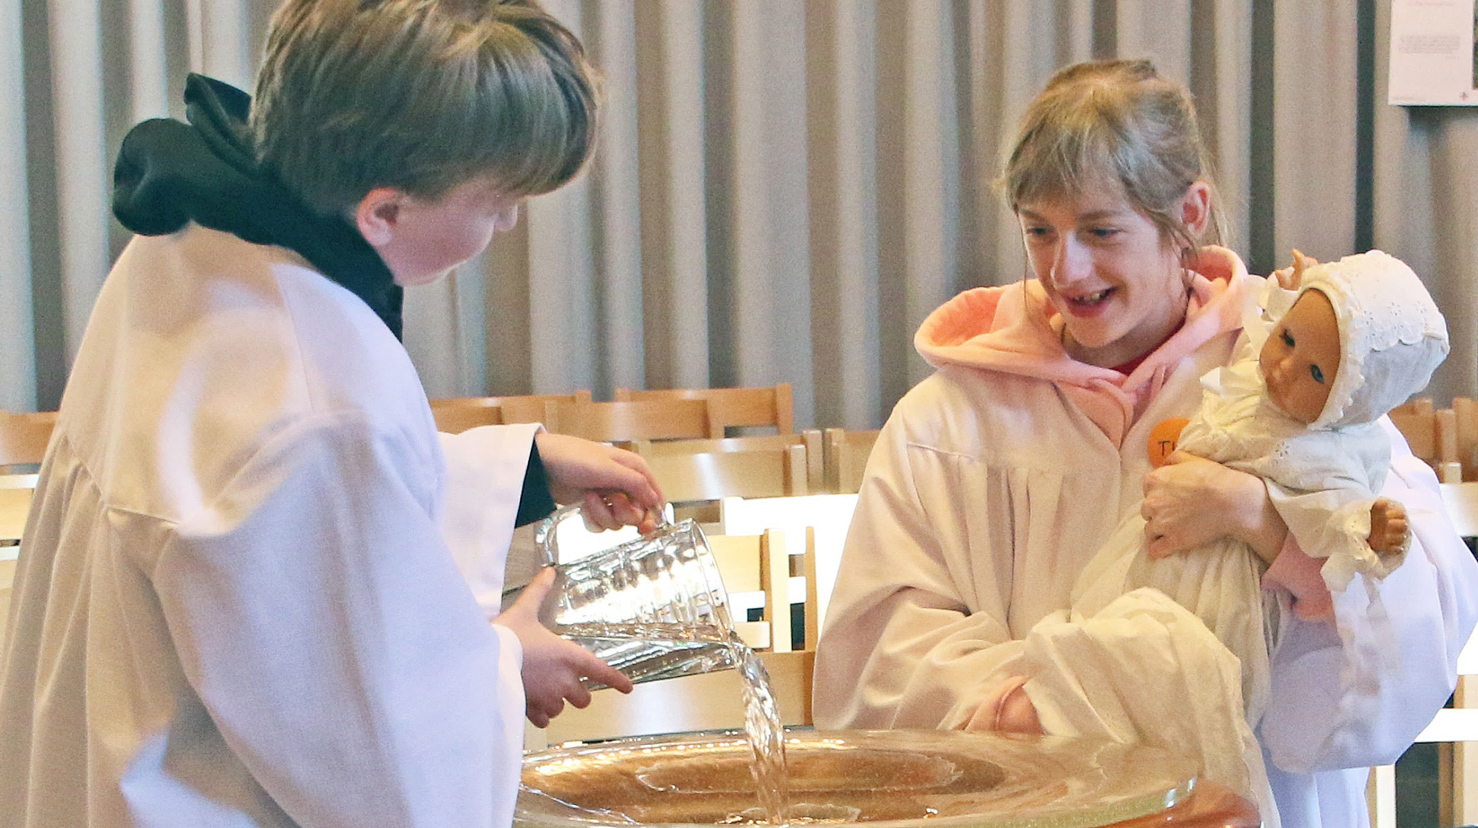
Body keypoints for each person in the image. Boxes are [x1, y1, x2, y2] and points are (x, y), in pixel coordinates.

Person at [0, 2, 660, 827]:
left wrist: (522, 472)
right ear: (383, 212)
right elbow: (383, 765)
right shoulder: (314, 398)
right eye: (495, 204)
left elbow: (247, 520)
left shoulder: (201, 237)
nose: (509, 222)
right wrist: (504, 664)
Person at [812, 58, 1478, 827]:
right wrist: (1054, 706)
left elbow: (1417, 606)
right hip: (1032, 804)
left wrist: (1263, 522)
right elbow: (881, 642)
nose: (1067, 268)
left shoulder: (1298, 379)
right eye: (1040, 230)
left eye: (1100, 230)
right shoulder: (949, 420)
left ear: (1189, 214)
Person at [1011, 248, 1448, 819]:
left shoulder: (1332, 446)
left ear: (1347, 401)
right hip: (1155, 557)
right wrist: (1289, 301)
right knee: (1109, 646)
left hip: (1229, 593)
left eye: (1317, 372)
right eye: (1288, 340)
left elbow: (1337, 513)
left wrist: (1352, 527)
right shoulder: (1254, 381)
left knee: (1189, 686)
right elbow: (1257, 347)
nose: (1285, 369)